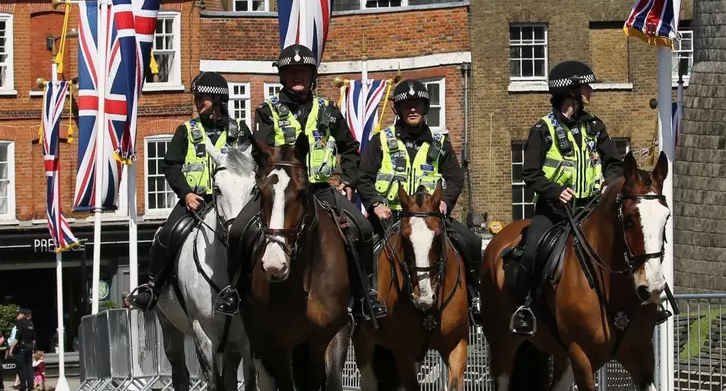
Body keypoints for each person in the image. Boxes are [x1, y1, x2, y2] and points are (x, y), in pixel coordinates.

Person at [214, 44, 387, 321]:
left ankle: (365, 297)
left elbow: (350, 148)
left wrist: (347, 180)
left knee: (363, 228)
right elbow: (260, 152)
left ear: (312, 76)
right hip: (280, 193)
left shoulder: (329, 111)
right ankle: (233, 291)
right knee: (238, 233)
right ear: (282, 77)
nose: (298, 76)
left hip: (321, 190)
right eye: (292, 72)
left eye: (303, 72)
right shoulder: (266, 112)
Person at [509, 61, 624, 336]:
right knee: (531, 249)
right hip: (554, 213)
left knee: (630, 244)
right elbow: (530, 173)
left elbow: (614, 164)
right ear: (570, 91)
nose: (590, 90)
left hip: (592, 210)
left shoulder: (596, 126)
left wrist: (610, 183)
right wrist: (553, 190)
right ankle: (523, 307)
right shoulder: (542, 129)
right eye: (585, 85)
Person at [357, 78, 483, 326]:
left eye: (417, 104)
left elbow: (455, 178)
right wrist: (375, 204)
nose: (412, 109)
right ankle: (364, 297)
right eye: (406, 105)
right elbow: (364, 178)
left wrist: (446, 201)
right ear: (398, 110)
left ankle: (474, 297)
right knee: (360, 243)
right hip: (391, 216)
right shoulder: (380, 140)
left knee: (471, 240)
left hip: (429, 218)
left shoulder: (440, 142)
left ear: (425, 108)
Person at [128, 72, 253, 311]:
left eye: (202, 97)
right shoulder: (186, 130)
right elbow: (171, 165)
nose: (197, 101)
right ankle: (152, 287)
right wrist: (185, 193)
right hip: (197, 201)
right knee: (167, 235)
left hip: (234, 202)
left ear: (217, 99)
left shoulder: (240, 131)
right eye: (196, 96)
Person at [13, 308, 36, 391]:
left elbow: (17, 337)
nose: (17, 316)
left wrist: (12, 347)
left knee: (21, 368)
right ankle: (30, 387)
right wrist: (32, 349)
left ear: (22, 314)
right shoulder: (31, 323)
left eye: (18, 314)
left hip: (22, 346)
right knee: (29, 367)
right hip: (30, 346)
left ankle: (22, 387)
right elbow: (34, 339)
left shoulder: (20, 322)